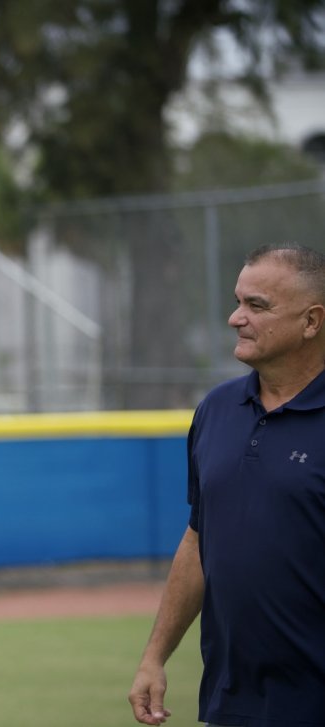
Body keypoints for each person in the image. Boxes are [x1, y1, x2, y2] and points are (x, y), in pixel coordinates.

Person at [128, 243, 325, 726]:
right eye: (238, 301)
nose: (236, 318)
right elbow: (199, 540)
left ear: (312, 322)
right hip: (231, 698)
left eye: (257, 306)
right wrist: (155, 656)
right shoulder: (215, 410)